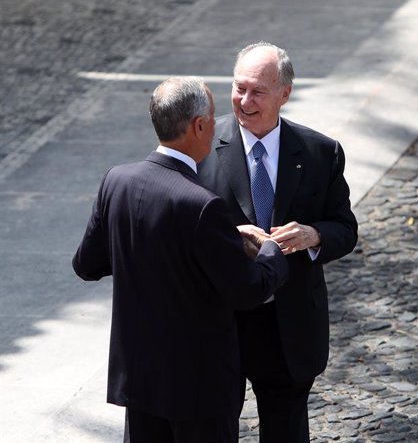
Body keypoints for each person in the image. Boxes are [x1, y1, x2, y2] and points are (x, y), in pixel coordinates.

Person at [72, 76, 289, 443]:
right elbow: (249, 289)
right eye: (214, 117)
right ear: (199, 126)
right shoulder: (202, 206)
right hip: (198, 388)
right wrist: (272, 250)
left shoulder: (117, 181)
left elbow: (87, 265)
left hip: (139, 381)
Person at [197, 42, 358, 442]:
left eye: (258, 92)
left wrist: (313, 235)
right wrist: (227, 237)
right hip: (222, 322)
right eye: (239, 88)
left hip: (287, 322)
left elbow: (345, 228)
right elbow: (177, 228)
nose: (244, 101)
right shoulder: (200, 151)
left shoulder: (321, 152)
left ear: (285, 93)